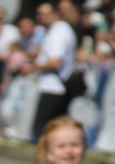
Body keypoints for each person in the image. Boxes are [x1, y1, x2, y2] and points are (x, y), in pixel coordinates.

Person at [29, 3, 78, 142]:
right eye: (38, 14)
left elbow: (56, 62)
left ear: (55, 14)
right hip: (53, 87)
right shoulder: (53, 31)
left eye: (43, 14)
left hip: (53, 88)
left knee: (42, 131)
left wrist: (34, 67)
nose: (39, 18)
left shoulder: (59, 32)